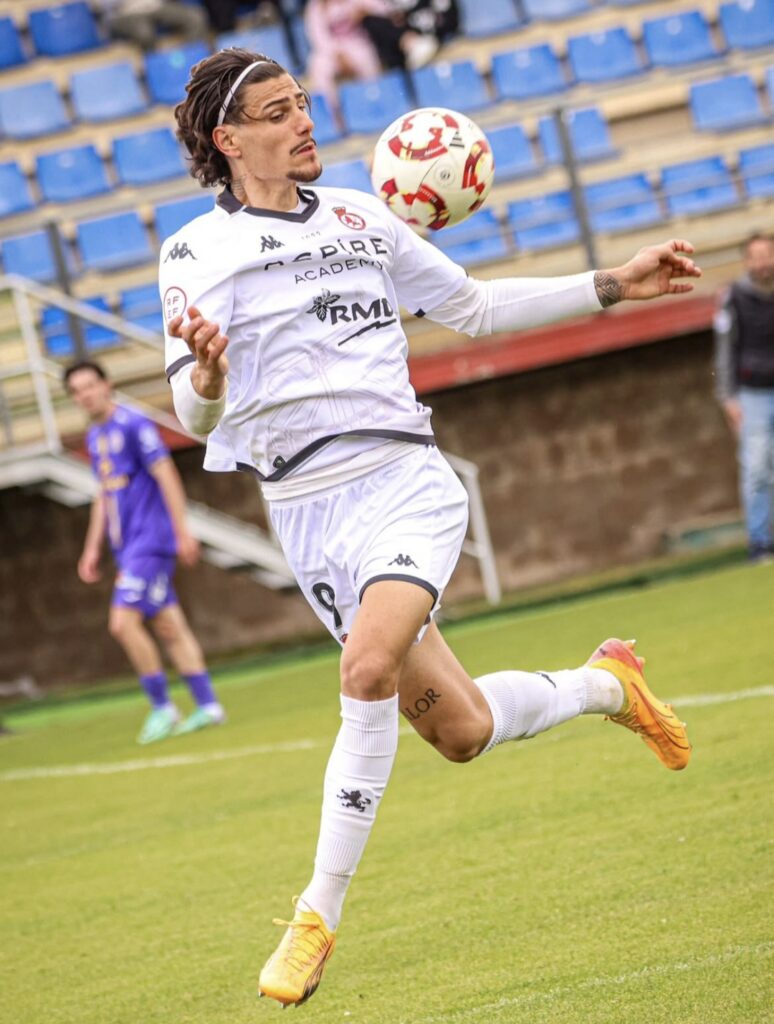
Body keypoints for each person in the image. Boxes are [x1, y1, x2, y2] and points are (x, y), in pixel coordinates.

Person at [161, 49, 695, 1006]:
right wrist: (206, 377)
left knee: (365, 670)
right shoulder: (197, 252)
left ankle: (316, 916)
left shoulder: (364, 217)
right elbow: (193, 417)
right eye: (279, 113)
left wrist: (611, 283)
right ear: (227, 139)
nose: (305, 121)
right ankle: (608, 685)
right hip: (305, 511)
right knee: (460, 729)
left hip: (404, 480)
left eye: (303, 103)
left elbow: (474, 307)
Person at [65, 360, 225, 744]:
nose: (85, 395)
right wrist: (92, 548)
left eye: (90, 386)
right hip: (127, 548)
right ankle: (208, 706)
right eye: (77, 391)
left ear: (107, 384)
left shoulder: (134, 424)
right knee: (169, 624)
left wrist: (182, 531)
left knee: (122, 623)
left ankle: (162, 707)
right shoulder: (95, 437)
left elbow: (165, 473)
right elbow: (103, 494)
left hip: (150, 541)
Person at [714, 233, 774, 563]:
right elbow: (725, 350)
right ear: (747, 261)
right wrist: (728, 398)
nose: (763, 262)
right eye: (756, 256)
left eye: (768, 255)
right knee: (757, 468)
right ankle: (760, 543)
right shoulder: (734, 297)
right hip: (753, 395)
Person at [304, 0, 390, 115]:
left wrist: (365, 11)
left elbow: (385, 9)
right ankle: (334, 114)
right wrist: (338, 55)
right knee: (318, 66)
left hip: (357, 42)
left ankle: (374, 105)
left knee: (367, 62)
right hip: (330, 50)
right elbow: (318, 37)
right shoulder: (316, 6)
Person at [95, 0, 208, 51]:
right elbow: (101, 6)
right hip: (127, 13)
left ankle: (193, 64)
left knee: (195, 17)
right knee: (144, 33)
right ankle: (159, 72)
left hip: (156, 6)